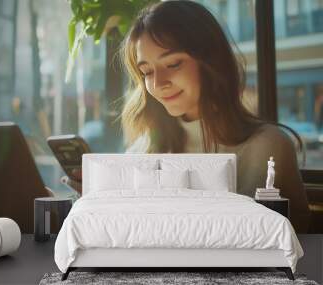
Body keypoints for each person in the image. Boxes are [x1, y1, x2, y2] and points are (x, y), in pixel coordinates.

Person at [63, 0, 310, 233]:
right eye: (147, 71)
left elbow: (283, 246)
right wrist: (103, 201)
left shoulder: (267, 147)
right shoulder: (146, 147)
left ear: (211, 61)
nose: (158, 83)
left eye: (173, 64)